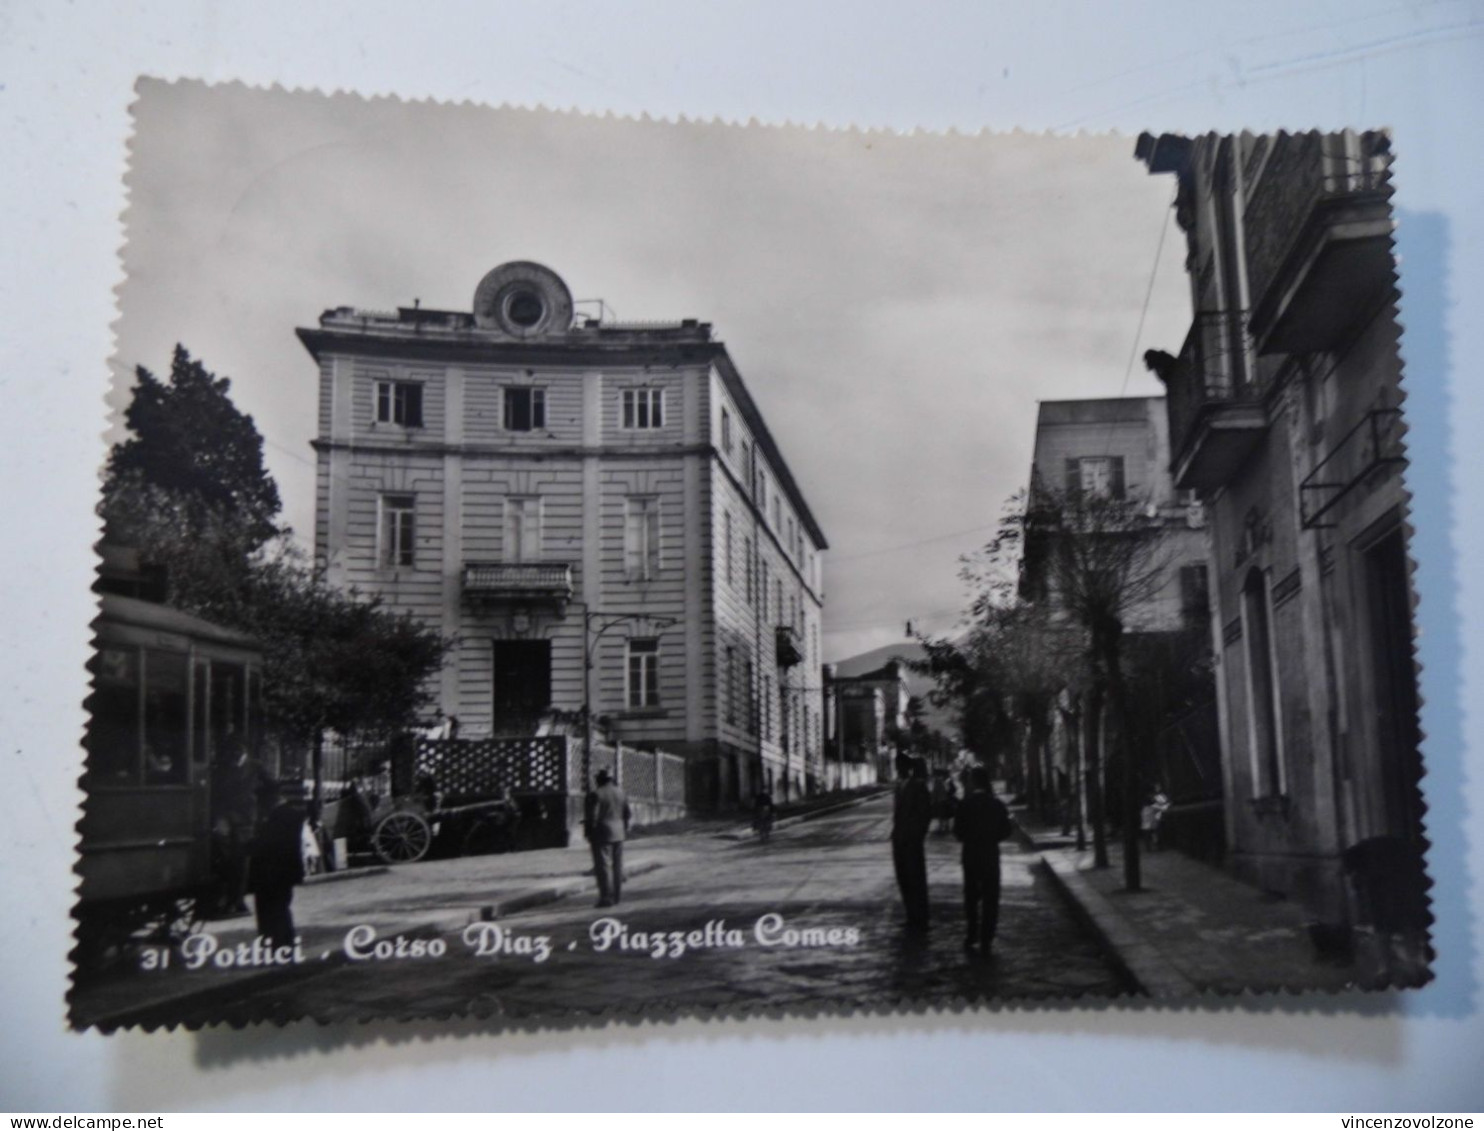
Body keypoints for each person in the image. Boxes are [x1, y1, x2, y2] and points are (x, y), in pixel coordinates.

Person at [953, 766, 1013, 957]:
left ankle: (972, 934)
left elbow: (958, 832)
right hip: (990, 856)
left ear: (973, 782)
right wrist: (992, 838)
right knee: (991, 898)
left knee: (971, 897)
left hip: (970, 856)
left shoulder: (964, 805)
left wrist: (970, 839)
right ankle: (987, 937)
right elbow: (1007, 831)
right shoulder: (997, 805)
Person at [249, 781, 306, 949]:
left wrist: (246, 847)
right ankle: (283, 944)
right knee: (280, 909)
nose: (260, 804)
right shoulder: (290, 814)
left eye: (261, 800)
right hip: (282, 872)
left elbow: (267, 843)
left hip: (272, 872)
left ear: (270, 798)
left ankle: (277, 946)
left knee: (271, 910)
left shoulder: (279, 816)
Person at [891, 754, 933, 933]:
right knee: (904, 879)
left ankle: (921, 919)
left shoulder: (918, 786)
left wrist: (917, 836)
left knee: (916, 879)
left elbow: (925, 814)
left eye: (899, 766)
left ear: (907, 767)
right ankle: (911, 916)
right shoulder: (899, 787)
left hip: (912, 842)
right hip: (899, 841)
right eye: (896, 765)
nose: (896, 769)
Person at [584, 769, 632, 908]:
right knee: (617, 866)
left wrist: (588, 832)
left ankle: (606, 897)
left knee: (603, 866)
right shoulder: (621, 792)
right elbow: (627, 814)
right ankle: (616, 897)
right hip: (619, 833)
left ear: (600, 779)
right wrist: (624, 828)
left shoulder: (596, 794)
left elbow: (592, 816)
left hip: (602, 833)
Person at [1141, 785, 1171, 852]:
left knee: (1147, 836)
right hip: (1152, 824)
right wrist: (1168, 804)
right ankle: (1159, 847)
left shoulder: (1144, 808)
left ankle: (1149, 848)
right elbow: (1163, 808)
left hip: (1145, 825)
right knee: (1157, 832)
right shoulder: (1153, 806)